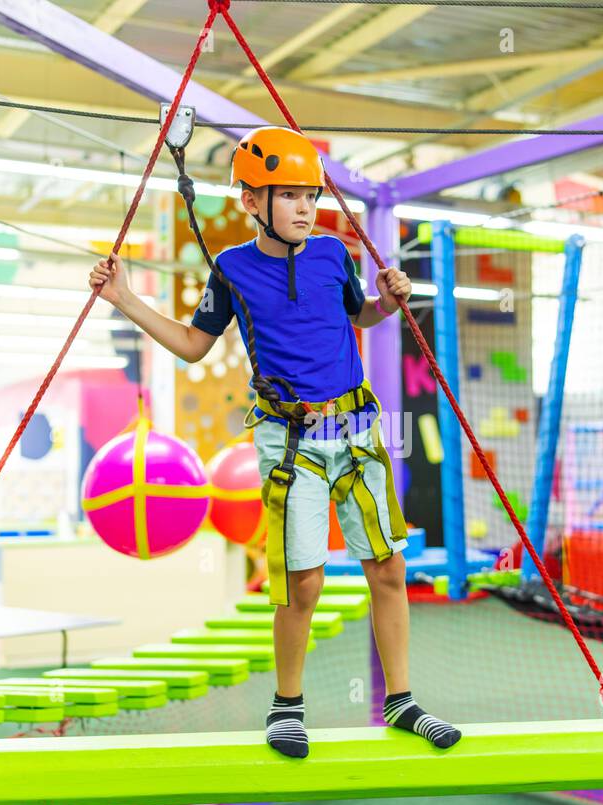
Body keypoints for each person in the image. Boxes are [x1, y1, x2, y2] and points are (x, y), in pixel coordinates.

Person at [90, 126, 461, 758]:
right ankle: (287, 706)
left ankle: (401, 702)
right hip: (290, 441)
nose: (303, 207)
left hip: (358, 427)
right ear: (251, 202)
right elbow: (192, 344)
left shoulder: (331, 255)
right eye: (287, 195)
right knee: (302, 580)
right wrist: (124, 298)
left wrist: (386, 302)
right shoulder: (231, 269)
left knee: (389, 566)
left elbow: (358, 316)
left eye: (309, 195)